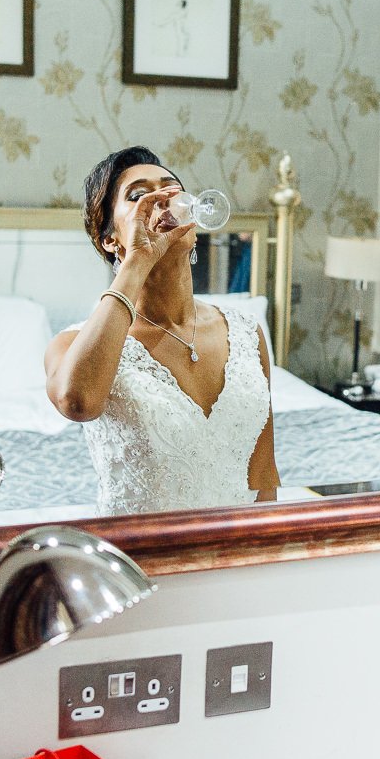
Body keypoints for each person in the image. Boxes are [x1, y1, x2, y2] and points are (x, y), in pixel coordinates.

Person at [45, 146, 277, 514]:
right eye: (138, 196)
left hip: (236, 558)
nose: (163, 202)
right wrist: (137, 259)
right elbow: (79, 402)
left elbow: (263, 475)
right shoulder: (72, 343)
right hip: (141, 560)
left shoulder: (246, 333)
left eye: (173, 190)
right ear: (109, 238)